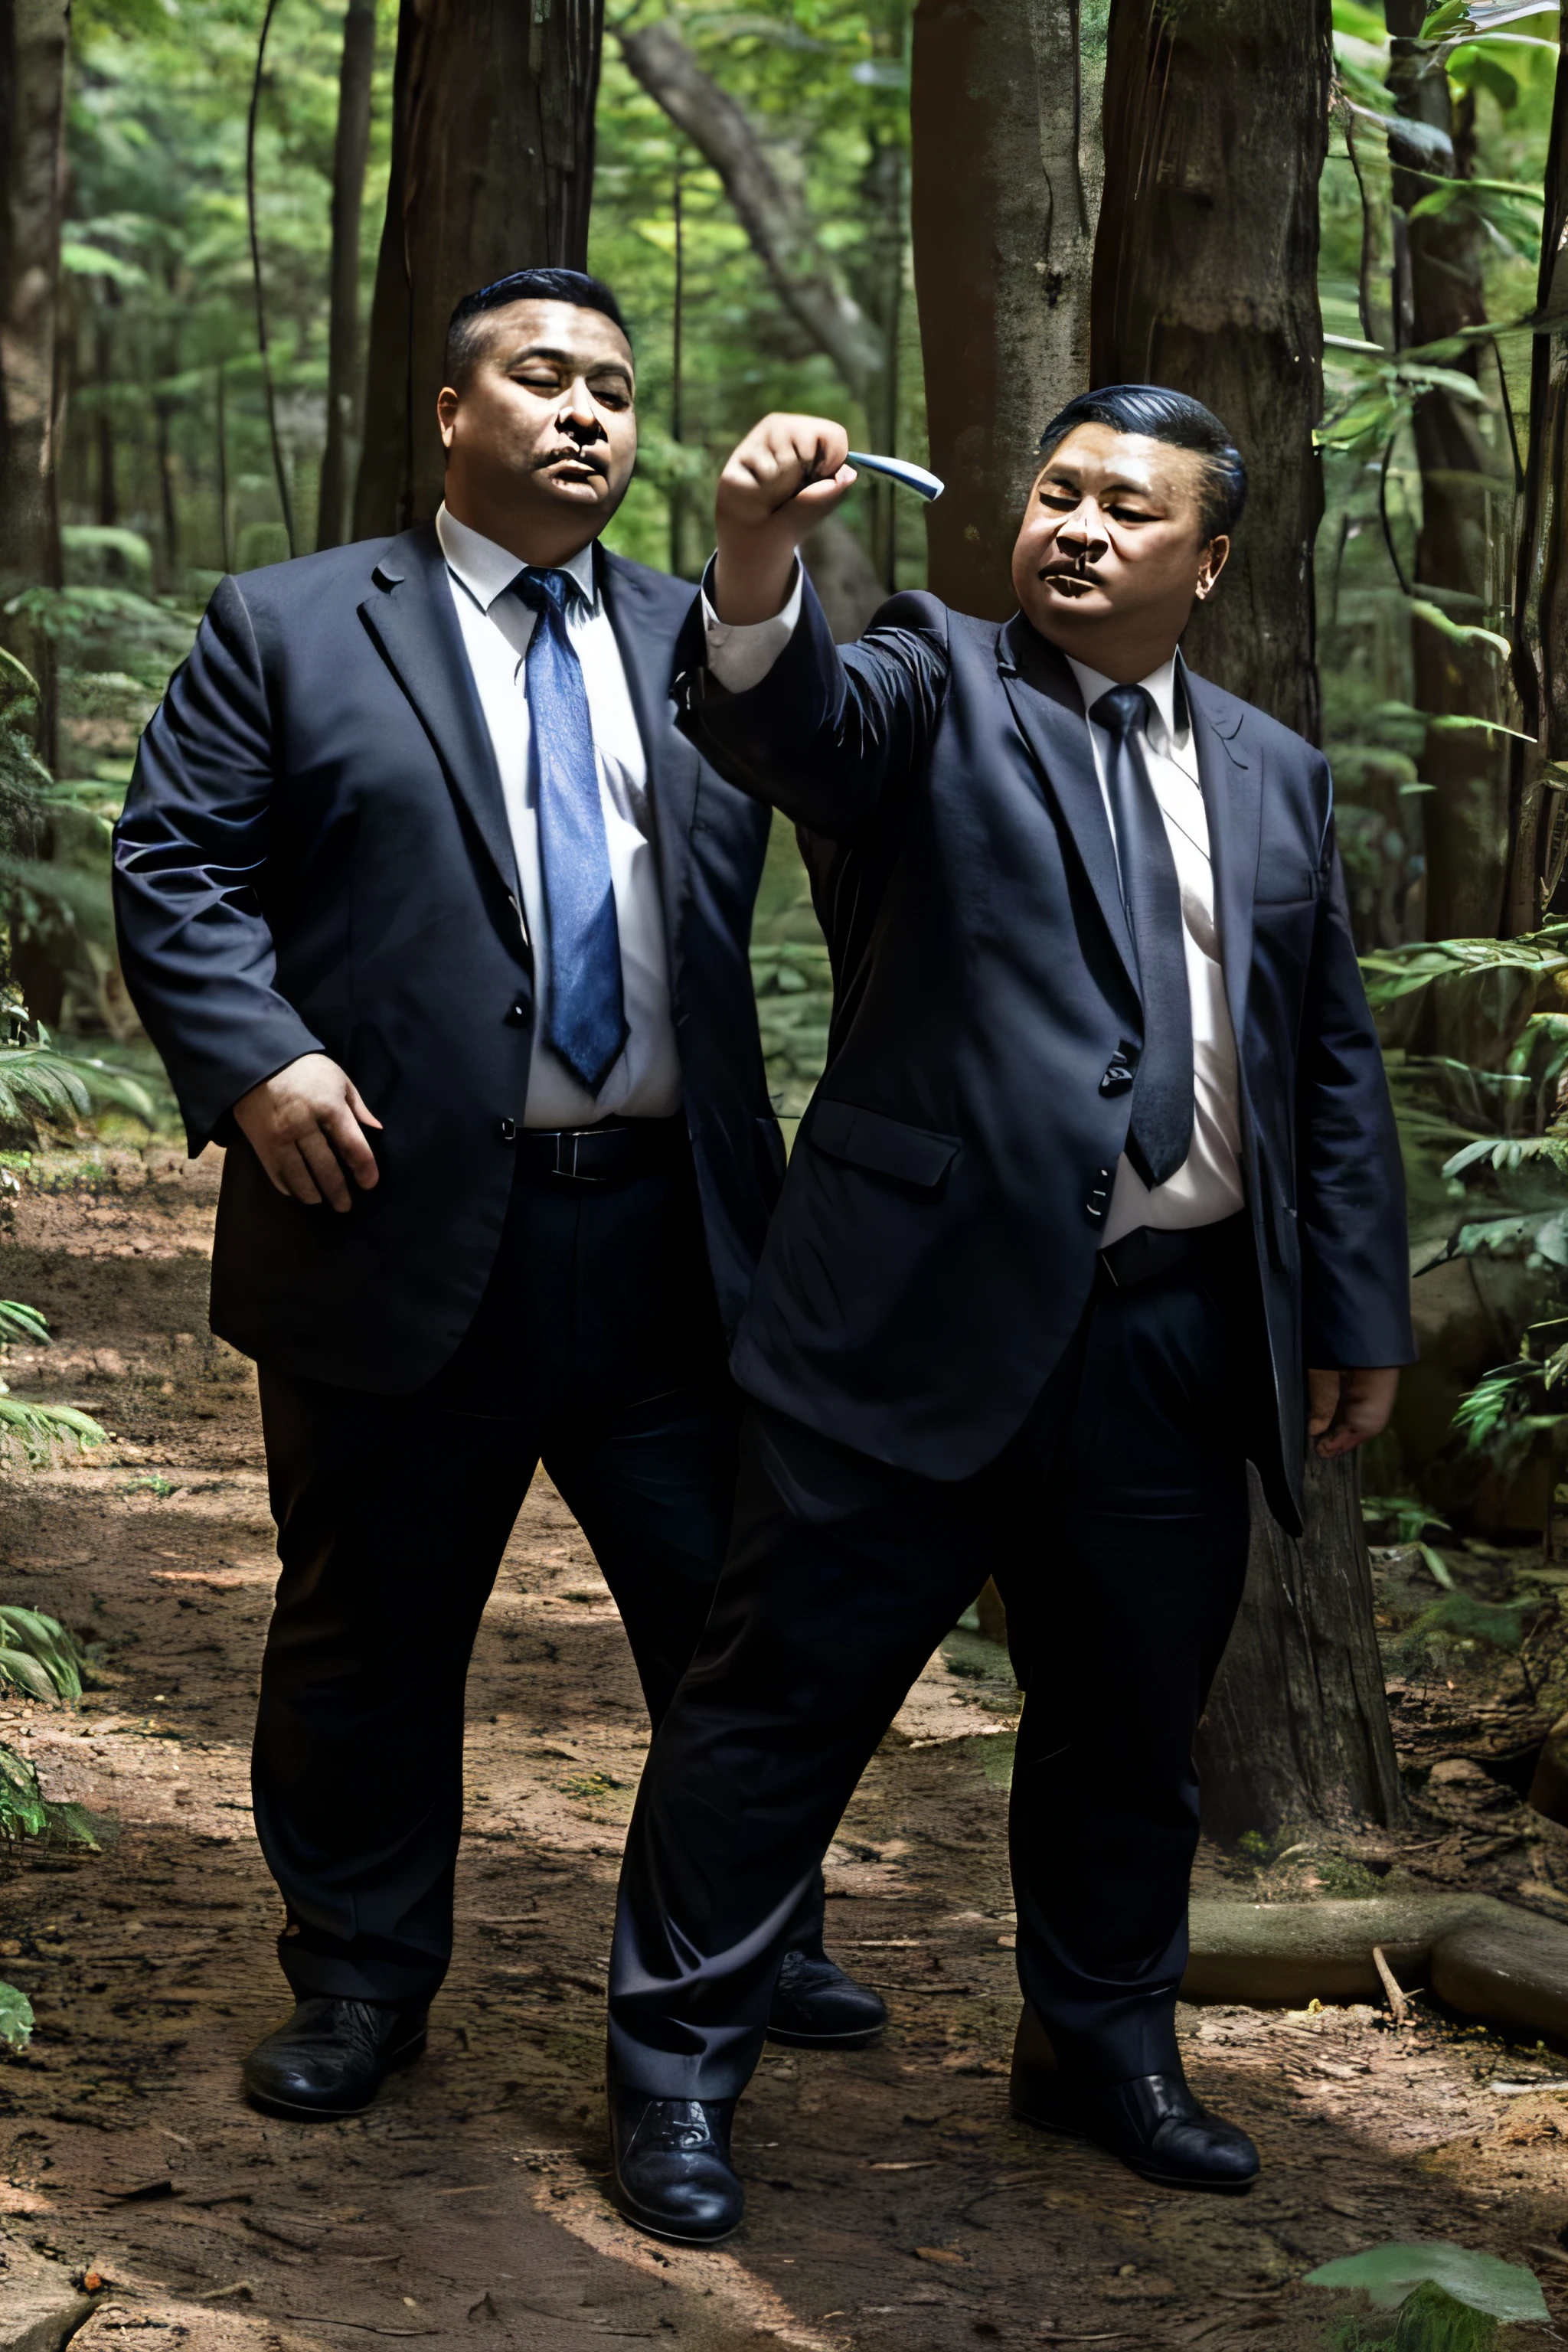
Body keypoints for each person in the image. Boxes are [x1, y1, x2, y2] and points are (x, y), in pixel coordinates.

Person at [602, 387, 1414, 2243]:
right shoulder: (929, 677)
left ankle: (1101, 2047)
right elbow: (782, 716)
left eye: (1129, 511)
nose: (1077, 527)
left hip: (1171, 1336)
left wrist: (1349, 1304)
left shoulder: (1277, 774)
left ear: (1207, 562)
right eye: (1054, 490)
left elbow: (1328, 1066)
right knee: (775, 1715)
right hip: (904, 1318)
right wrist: (751, 556)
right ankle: (673, 2081)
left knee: (1130, 1732)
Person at [111, 267, 882, 2123]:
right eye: (542, 378)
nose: (586, 413)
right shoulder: (288, 628)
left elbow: (874, 801)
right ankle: (364, 1981)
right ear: (450, 414)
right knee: (368, 1631)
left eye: (614, 387)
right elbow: (177, 864)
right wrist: (259, 1059)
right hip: (389, 1218)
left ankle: (744, 1938)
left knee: (733, 1618)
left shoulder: (718, 640)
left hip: (674, 1237)